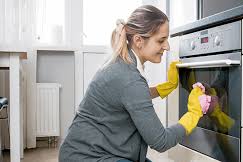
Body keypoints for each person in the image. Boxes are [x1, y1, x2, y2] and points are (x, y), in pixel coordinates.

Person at [59, 5, 207, 162]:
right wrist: (193, 113)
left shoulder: (125, 66)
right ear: (138, 41)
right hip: (86, 157)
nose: (167, 46)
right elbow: (161, 141)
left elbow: (131, 98)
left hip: (101, 150)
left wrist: (166, 86)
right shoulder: (129, 78)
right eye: (161, 40)